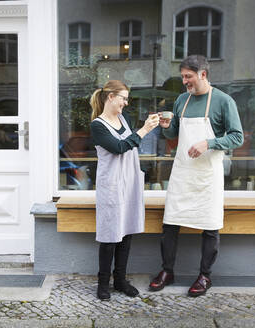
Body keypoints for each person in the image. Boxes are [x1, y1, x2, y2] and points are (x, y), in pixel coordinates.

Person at [149, 55, 243, 297]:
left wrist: (209, 143)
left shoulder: (224, 101)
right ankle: (167, 271)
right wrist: (165, 125)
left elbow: (237, 137)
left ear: (203, 74)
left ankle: (205, 276)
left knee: (210, 227)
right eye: (183, 77)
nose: (184, 81)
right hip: (182, 172)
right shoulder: (182, 100)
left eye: (188, 76)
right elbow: (173, 134)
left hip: (207, 175)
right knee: (170, 223)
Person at [90, 80, 159, 300]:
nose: (126, 103)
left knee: (126, 233)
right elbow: (119, 147)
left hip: (129, 182)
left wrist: (151, 127)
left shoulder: (124, 118)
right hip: (111, 185)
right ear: (110, 97)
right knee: (110, 235)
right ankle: (103, 284)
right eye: (123, 98)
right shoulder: (97, 125)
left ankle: (120, 280)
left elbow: (131, 141)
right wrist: (145, 129)